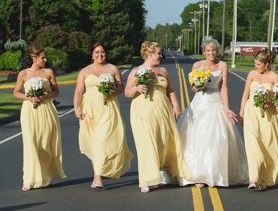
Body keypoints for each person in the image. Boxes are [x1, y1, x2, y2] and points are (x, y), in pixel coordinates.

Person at [177, 39, 248, 187]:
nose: (211, 53)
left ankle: (213, 173)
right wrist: (199, 86)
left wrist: (227, 108)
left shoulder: (222, 65)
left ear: (217, 51)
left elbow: (224, 87)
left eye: (214, 50)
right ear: (204, 52)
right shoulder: (197, 65)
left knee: (215, 139)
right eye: (208, 50)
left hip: (215, 102)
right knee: (197, 137)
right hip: (200, 102)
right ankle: (200, 175)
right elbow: (192, 88)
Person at [73, 42, 133, 188]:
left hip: (108, 108)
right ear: (92, 54)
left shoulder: (112, 68)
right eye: (97, 52)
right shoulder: (85, 71)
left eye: (103, 52)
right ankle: (97, 178)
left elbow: (120, 87)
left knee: (103, 140)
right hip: (90, 110)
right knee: (95, 142)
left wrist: (112, 91)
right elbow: (78, 92)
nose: (100, 55)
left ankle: (100, 174)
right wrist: (76, 108)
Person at [125, 41, 182, 193]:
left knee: (162, 141)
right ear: (150, 54)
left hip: (162, 110)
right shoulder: (136, 71)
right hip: (142, 110)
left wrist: (176, 105)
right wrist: (137, 88)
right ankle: (145, 179)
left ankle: (159, 173)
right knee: (146, 142)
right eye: (158, 53)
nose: (160, 55)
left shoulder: (163, 70)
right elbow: (127, 92)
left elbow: (170, 90)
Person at [239, 48, 278, 190]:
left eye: (258, 65)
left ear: (266, 64)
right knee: (252, 143)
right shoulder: (251, 74)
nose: (256, 67)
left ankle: (265, 179)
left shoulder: (274, 77)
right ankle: (253, 178)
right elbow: (245, 94)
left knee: (268, 145)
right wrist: (241, 112)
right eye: (255, 64)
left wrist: (271, 103)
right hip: (251, 111)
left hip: (268, 114)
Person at [15, 46, 65, 191]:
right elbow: (16, 92)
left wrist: (44, 96)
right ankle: (28, 179)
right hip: (29, 111)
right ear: (34, 58)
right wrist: (29, 98)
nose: (45, 59)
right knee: (30, 143)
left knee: (45, 142)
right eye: (42, 57)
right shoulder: (23, 74)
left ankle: (46, 176)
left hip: (46, 110)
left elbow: (56, 92)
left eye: (45, 57)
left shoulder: (48, 72)